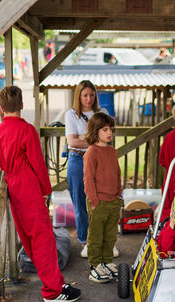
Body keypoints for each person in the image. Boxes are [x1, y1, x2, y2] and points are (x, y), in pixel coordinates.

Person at [0, 86, 81, 302]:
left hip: (12, 188)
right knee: (43, 239)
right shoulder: (27, 130)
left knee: (30, 239)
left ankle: (55, 281)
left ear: (1, 108)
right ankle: (52, 290)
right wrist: (46, 190)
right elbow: (38, 164)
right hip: (28, 187)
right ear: (22, 105)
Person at [64, 80, 118, 258]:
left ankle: (105, 241)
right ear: (78, 96)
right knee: (81, 203)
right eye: (85, 95)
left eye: (91, 95)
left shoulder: (102, 112)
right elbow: (72, 141)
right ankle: (86, 241)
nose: (88, 99)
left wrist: (84, 138)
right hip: (77, 160)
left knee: (103, 200)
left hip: (100, 160)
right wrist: (95, 140)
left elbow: (107, 136)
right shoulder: (71, 114)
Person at [82, 112, 122, 283]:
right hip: (98, 202)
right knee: (96, 236)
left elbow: (117, 173)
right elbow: (88, 178)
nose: (109, 133)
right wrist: (94, 201)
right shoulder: (91, 152)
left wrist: (119, 195)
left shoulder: (112, 151)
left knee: (110, 236)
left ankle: (106, 262)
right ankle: (95, 266)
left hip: (114, 201)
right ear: (95, 131)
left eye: (111, 129)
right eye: (105, 129)